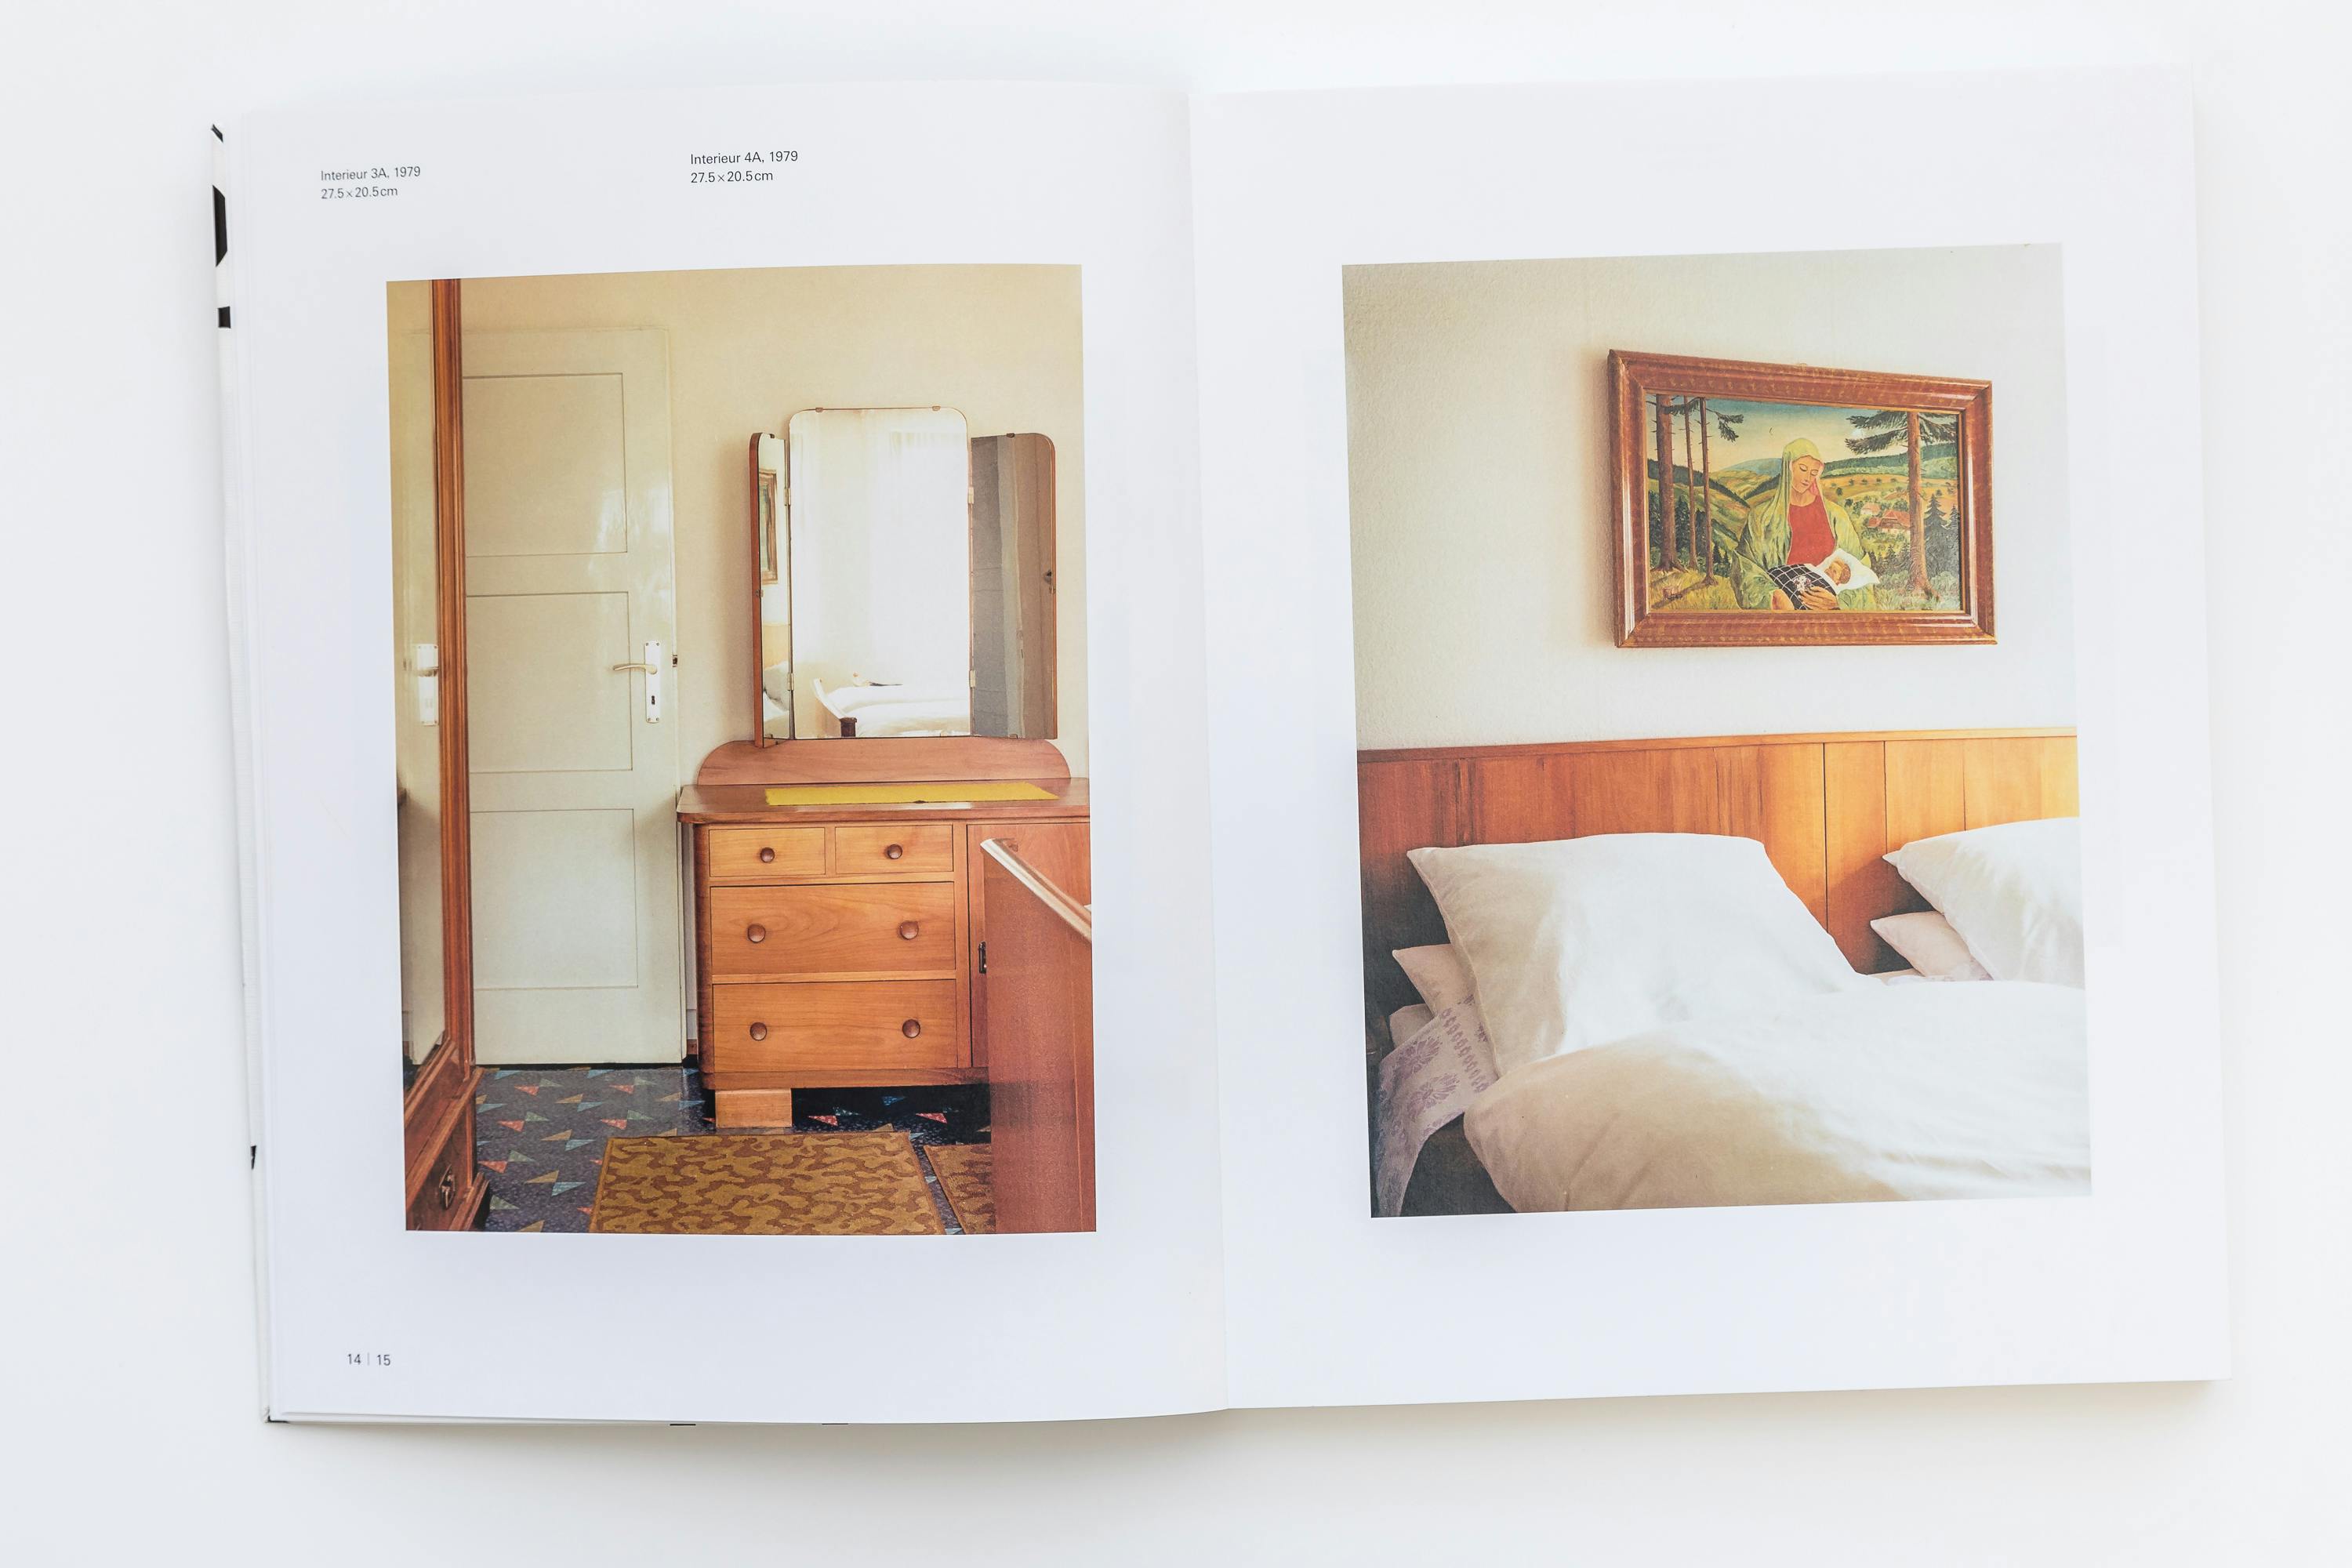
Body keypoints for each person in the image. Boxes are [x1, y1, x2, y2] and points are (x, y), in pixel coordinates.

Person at [1730, 437, 1877, 611]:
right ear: (1788, 467)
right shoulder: (1761, 516)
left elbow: (1861, 571)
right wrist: (1774, 597)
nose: (1808, 478)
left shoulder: (1836, 516)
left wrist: (1839, 602)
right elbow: (1745, 568)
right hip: (1783, 613)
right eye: (1803, 469)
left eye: (1814, 473)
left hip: (1828, 613)